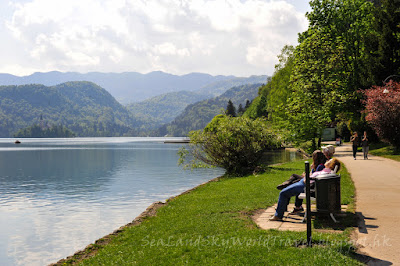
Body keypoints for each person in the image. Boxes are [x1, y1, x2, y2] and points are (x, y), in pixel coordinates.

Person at [269, 158, 341, 221]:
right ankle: (279, 211)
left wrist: (306, 177)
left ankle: (278, 215)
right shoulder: (326, 171)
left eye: (329, 161)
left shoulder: (326, 172)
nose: (327, 161)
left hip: (303, 185)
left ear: (331, 165)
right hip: (304, 183)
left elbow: (314, 180)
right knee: (285, 191)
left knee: (283, 193)